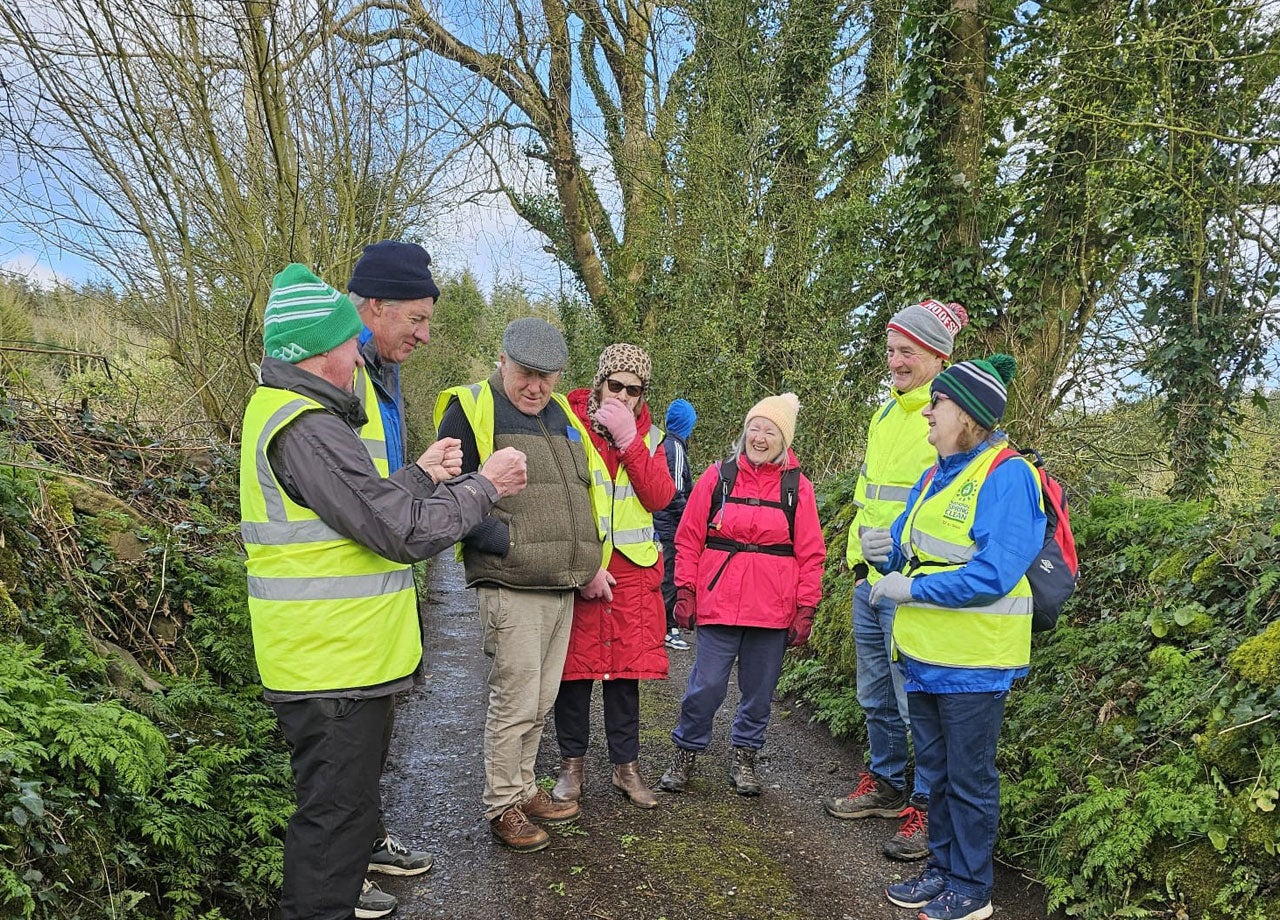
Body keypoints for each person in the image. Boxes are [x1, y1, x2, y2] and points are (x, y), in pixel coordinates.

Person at [240, 264, 528, 920]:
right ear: (321, 350)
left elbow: (358, 511)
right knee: (333, 833)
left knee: (342, 823)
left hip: (336, 665)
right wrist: (485, 487)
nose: (358, 355)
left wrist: (421, 476)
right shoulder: (306, 426)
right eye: (350, 342)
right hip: (331, 668)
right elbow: (399, 531)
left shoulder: (297, 415)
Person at [873, 355, 1044, 920]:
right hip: (924, 656)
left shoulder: (1008, 475)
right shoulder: (935, 473)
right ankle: (943, 870)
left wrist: (913, 589)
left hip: (975, 661)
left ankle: (971, 890)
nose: (927, 411)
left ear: (967, 414)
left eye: (937, 402)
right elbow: (914, 549)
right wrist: (887, 553)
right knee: (938, 775)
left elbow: (995, 573)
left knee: (969, 780)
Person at [433, 318, 614, 852]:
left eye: (547, 376)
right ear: (502, 361)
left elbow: (581, 492)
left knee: (540, 700)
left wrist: (587, 561)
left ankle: (524, 788)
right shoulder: (470, 408)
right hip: (511, 582)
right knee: (514, 701)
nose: (536, 387)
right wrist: (506, 541)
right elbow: (448, 496)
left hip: (560, 582)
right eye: (526, 374)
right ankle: (501, 805)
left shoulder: (562, 415)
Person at [824, 298, 969, 862]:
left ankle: (927, 807)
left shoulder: (948, 416)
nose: (895, 361)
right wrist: (855, 556)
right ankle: (885, 784)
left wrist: (909, 571)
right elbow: (870, 495)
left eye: (907, 351)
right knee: (875, 694)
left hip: (912, 584)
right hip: (869, 576)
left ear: (937, 356)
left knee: (917, 702)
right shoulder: (885, 414)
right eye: (890, 350)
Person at [341, 239, 443, 910]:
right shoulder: (339, 370)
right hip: (338, 605)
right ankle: (340, 878)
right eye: (417, 319)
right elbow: (355, 498)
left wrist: (420, 476)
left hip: (376, 592)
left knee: (373, 738)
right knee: (342, 753)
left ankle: (368, 840)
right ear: (375, 307)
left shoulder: (382, 368)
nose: (425, 335)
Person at [657, 393, 826, 796]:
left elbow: (811, 553)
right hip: (720, 600)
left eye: (770, 431)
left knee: (759, 692)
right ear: (744, 431)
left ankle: (745, 757)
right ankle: (685, 751)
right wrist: (685, 589)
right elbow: (689, 537)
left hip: (773, 608)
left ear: (784, 440)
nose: (760, 437)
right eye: (755, 428)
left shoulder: (797, 488)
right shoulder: (718, 477)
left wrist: (806, 606)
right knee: (706, 685)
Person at [550, 344, 675, 810]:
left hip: (631, 575)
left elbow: (659, 496)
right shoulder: (568, 423)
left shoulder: (653, 439)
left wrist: (629, 443)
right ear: (599, 383)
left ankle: (627, 769)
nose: (623, 395)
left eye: (634, 389)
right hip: (582, 567)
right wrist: (583, 564)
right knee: (574, 673)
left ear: (644, 395)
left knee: (625, 677)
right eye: (615, 385)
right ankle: (571, 767)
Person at [654, 398, 697, 651]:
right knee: (669, 577)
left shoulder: (662, 444)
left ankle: (660, 628)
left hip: (660, 523)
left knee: (663, 575)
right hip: (669, 526)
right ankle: (668, 629)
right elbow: (675, 491)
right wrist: (690, 521)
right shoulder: (675, 447)